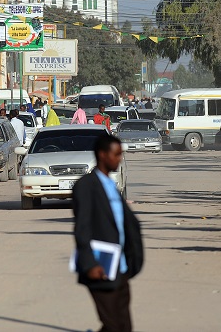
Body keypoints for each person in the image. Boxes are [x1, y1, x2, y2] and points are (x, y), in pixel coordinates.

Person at [72, 135, 144, 332]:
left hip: (120, 268)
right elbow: (82, 227)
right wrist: (90, 264)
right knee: (113, 325)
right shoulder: (86, 186)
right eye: (116, 154)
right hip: (100, 268)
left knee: (123, 326)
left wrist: (133, 261)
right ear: (102, 155)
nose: (119, 158)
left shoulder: (111, 185)